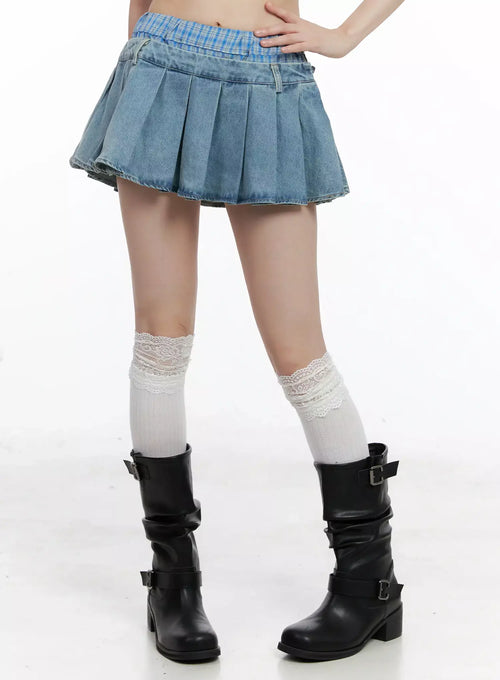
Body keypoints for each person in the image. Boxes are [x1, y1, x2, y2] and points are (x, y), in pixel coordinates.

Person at [68, 0, 406, 664]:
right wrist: (140, 60)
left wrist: (344, 35)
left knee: (300, 355)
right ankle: (173, 583)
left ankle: (368, 583)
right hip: (160, 66)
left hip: (266, 77)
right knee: (161, 340)